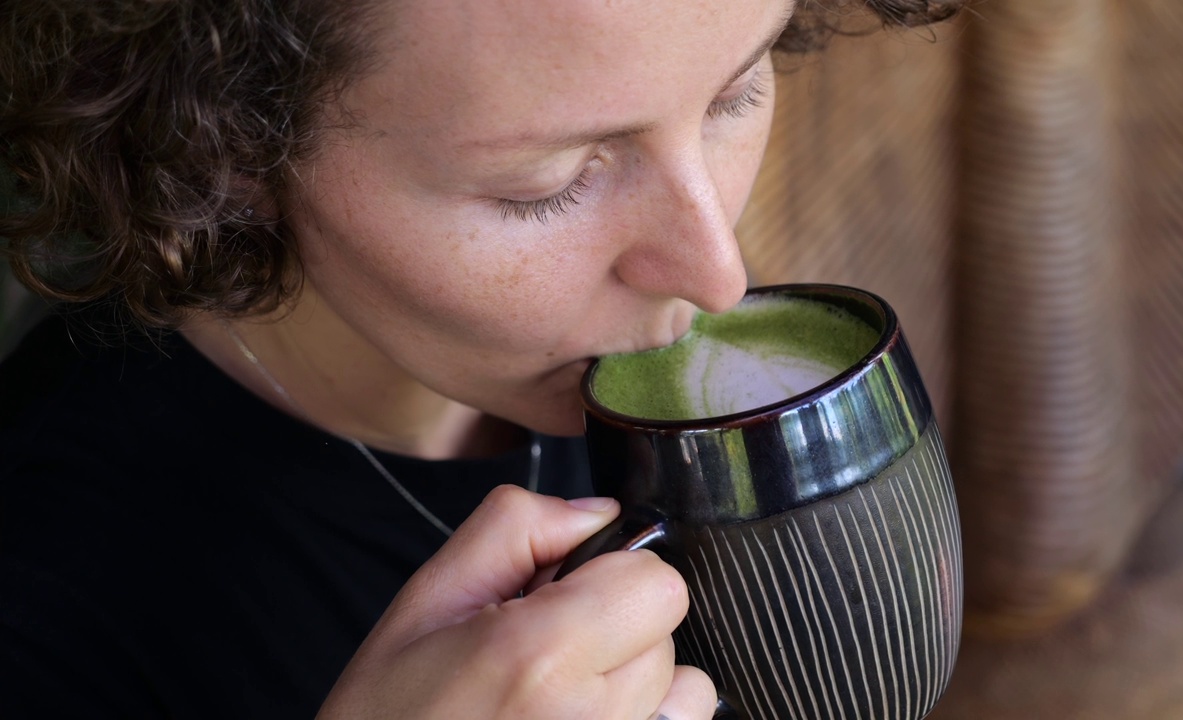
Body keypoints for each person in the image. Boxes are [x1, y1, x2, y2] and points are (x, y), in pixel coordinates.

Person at [0, 0, 965, 717]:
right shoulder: (50, 606)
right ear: (221, 147)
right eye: (545, 186)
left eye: (736, 90)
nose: (718, 274)